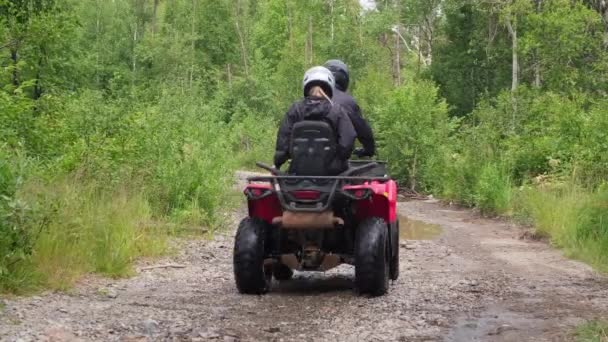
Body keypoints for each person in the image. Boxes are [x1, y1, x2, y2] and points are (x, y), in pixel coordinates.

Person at [274, 66, 356, 175]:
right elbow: (348, 139)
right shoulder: (337, 111)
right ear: (329, 87)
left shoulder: (295, 110)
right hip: (332, 171)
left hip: (299, 169)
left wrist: (279, 162)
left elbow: (283, 140)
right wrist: (339, 158)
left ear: (306, 87)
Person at [323, 59, 375, 158]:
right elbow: (363, 131)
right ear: (344, 79)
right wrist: (369, 150)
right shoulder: (348, 102)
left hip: (304, 160)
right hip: (335, 162)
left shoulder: (306, 101)